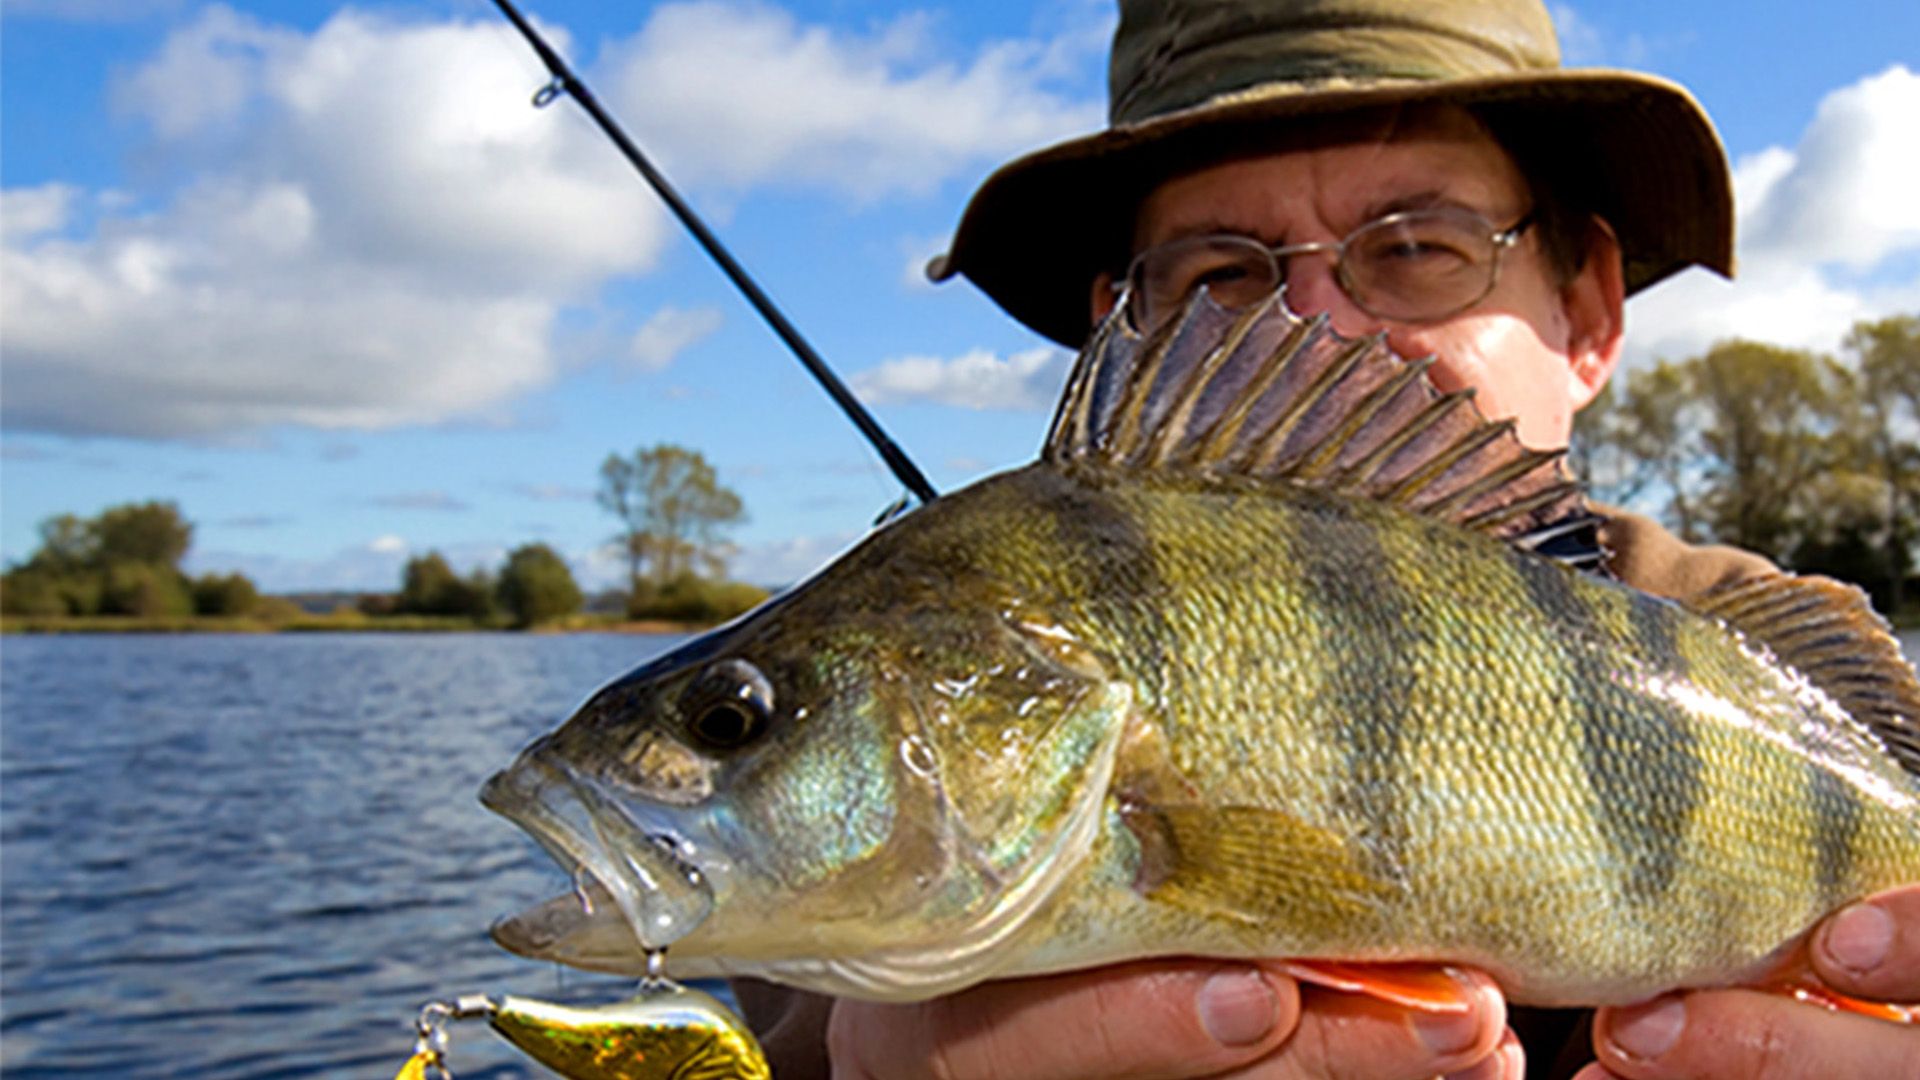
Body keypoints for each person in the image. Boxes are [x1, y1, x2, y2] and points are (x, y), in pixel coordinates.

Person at [737, 1, 1920, 1076]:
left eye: (1417, 249)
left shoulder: (1780, 677)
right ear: (1124, 325)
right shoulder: (827, 918)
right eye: (1218, 280)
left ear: (1589, 309)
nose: (1320, 325)